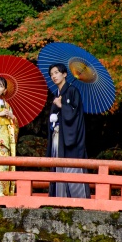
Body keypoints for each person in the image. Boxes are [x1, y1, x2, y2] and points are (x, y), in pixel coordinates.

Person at [46, 63, 90, 198]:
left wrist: (62, 106)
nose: (54, 76)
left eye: (56, 73)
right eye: (51, 74)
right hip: (58, 135)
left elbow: (76, 114)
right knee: (58, 165)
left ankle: (78, 200)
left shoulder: (72, 91)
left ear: (64, 74)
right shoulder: (57, 94)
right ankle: (59, 199)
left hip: (70, 137)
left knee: (71, 166)